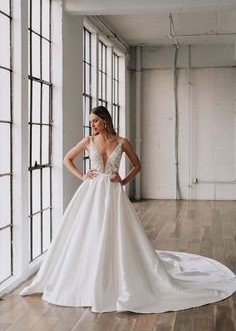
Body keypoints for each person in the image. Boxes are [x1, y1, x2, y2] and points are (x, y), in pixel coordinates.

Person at [20, 106, 236, 313]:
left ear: (105, 120)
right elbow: (67, 159)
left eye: (95, 121)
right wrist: (83, 175)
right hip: (92, 192)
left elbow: (137, 165)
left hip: (113, 193)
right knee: (89, 231)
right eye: (91, 122)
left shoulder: (122, 142)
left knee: (115, 233)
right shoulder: (88, 141)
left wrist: (123, 181)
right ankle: (88, 274)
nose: (92, 125)